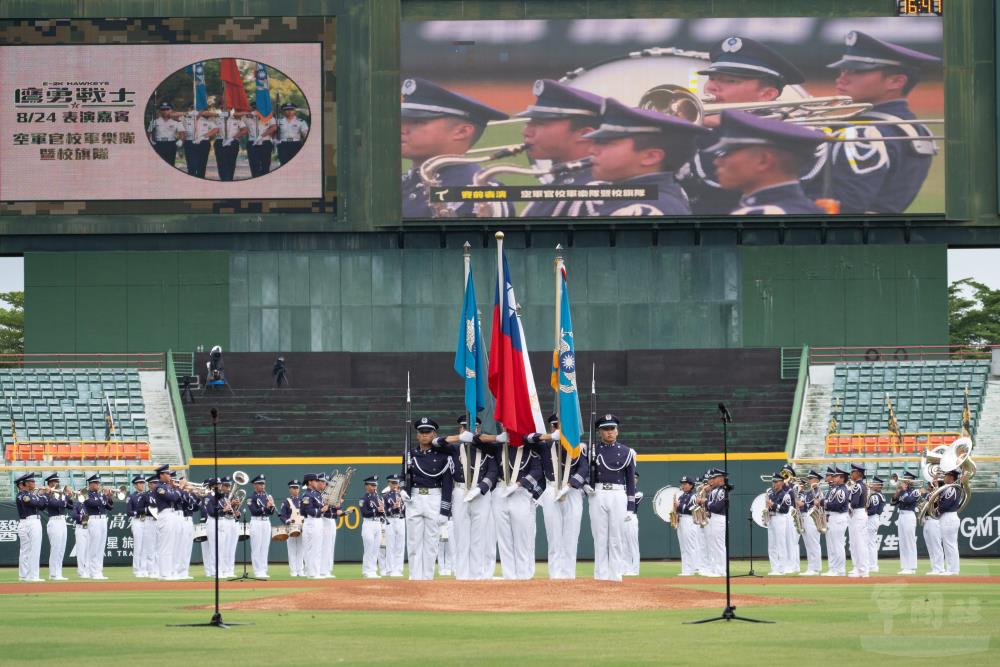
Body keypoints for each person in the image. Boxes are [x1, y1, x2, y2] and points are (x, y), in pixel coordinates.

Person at [808, 30, 941, 213]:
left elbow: (845, 208)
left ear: (896, 81)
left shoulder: (865, 134)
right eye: (843, 70)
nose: (842, 78)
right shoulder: (913, 128)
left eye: (857, 71)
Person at [677, 35, 809, 214]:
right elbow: (652, 193)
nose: (711, 88)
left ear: (766, 95)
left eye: (730, 81)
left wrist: (724, 126)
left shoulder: (786, 140)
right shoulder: (694, 131)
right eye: (712, 78)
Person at [400, 77, 510, 218]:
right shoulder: (402, 182)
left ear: (462, 131)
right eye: (402, 120)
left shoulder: (480, 192)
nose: (402, 129)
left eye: (417, 122)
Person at [583, 98, 710, 216]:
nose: (592, 150)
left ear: (651, 157)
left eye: (606, 143)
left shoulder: (643, 211)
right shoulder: (653, 196)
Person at [706, 110, 828, 215]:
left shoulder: (761, 215)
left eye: (727, 153)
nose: (717, 161)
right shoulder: (813, 210)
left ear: (763, 160)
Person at [516, 79, 603, 217]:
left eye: (540, 123)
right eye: (528, 123)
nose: (526, 132)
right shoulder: (566, 181)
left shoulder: (591, 192)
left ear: (585, 134)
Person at [433, 415, 500, 580]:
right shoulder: (455, 448)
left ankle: (477, 574)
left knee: (479, 537)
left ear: (478, 429)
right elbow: (435, 442)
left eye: (473, 428)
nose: (469, 430)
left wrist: (481, 488)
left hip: (480, 494)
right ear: (461, 429)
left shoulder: (488, 449)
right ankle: (462, 575)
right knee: (460, 536)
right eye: (464, 427)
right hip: (460, 492)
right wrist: (458, 438)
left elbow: (493, 471)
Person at [527, 413, 587, 579]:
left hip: (572, 491)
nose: (559, 430)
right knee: (553, 535)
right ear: (552, 428)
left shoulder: (578, 447)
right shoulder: (545, 446)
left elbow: (584, 469)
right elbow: (528, 438)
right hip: (551, 489)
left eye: (562, 428)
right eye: (556, 427)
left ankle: (569, 574)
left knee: (571, 535)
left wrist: (570, 484)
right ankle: (555, 574)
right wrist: (550, 436)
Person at [484, 429, 542, 581]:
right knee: (504, 539)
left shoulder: (529, 449)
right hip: (500, 492)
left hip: (520, 492)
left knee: (522, 538)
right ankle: (509, 576)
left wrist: (519, 484)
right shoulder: (498, 446)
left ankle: (523, 576)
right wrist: (497, 437)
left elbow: (537, 470)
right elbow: (476, 440)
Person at [585, 414, 636, 581]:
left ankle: (615, 574)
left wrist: (631, 507)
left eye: (612, 428)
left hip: (617, 493)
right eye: (605, 429)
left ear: (617, 431)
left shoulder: (627, 452)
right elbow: (584, 471)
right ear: (599, 432)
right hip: (598, 493)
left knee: (616, 537)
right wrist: (586, 486)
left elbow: (630, 481)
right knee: (599, 536)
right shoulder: (592, 451)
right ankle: (600, 575)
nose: (609, 432)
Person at [402, 417, 454, 580]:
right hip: (415, 498)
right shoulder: (410, 454)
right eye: (421, 432)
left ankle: (427, 577)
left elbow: (447, 484)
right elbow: (404, 476)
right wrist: (404, 490)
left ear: (434, 434)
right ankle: (414, 577)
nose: (424, 435)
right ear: (417, 435)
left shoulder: (443, 455)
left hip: (434, 498)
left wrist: (445, 511)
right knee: (413, 541)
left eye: (428, 432)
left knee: (431, 543)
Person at [80, 474, 114, 579]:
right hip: (93, 520)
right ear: (90, 484)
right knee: (94, 547)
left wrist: (109, 496)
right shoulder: (85, 493)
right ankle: (92, 571)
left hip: (103, 519)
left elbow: (110, 507)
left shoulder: (100, 494)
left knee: (100, 548)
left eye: (98, 483)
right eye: (96, 483)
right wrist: (104, 496)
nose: (98, 485)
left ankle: (99, 571)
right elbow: (92, 504)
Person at [15, 473, 45, 582]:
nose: (34, 483)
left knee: (26, 550)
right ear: (25, 484)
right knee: (31, 550)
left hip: (30, 522)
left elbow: (42, 506)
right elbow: (36, 503)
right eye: (31, 482)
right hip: (30, 522)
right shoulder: (23, 495)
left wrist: (41, 496)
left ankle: (25, 575)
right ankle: (32, 576)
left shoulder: (31, 494)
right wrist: (42, 495)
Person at [700, 468, 729, 578]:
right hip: (712, 518)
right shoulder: (714, 491)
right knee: (712, 545)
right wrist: (706, 501)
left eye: (714, 478)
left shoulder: (723, 491)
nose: (712, 480)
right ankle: (714, 568)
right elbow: (710, 506)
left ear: (720, 478)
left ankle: (721, 570)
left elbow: (717, 507)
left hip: (719, 518)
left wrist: (706, 502)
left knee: (719, 545)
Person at [822, 467, 850, 577]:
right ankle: (833, 569)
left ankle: (840, 570)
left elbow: (837, 506)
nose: (834, 478)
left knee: (838, 545)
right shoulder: (836, 489)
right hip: (832, 517)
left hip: (838, 517)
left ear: (842, 478)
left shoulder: (842, 490)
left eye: (836, 476)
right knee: (833, 546)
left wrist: (822, 502)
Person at [40, 473, 68, 580]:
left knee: (61, 549)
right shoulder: (48, 495)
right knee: (55, 548)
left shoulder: (59, 493)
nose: (57, 483)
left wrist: (65, 496)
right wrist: (64, 498)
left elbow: (68, 504)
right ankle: (53, 573)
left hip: (62, 521)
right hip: (54, 521)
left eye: (58, 482)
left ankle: (59, 573)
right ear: (50, 483)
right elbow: (58, 504)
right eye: (55, 482)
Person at [891, 470, 920, 574]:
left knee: (909, 542)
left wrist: (902, 490)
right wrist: (897, 492)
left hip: (909, 515)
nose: (904, 481)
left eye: (907, 480)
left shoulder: (915, 491)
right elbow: (893, 502)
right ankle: (905, 566)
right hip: (901, 516)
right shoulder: (902, 491)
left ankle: (911, 567)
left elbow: (908, 500)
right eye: (904, 480)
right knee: (903, 542)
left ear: (911, 481)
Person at [247, 474, 275, 578]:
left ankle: (263, 569)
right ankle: (257, 571)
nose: (262, 486)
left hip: (266, 522)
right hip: (256, 522)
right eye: (260, 484)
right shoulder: (251, 498)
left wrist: (271, 507)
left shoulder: (267, 496)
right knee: (256, 547)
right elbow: (254, 511)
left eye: (263, 484)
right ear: (254, 485)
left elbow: (270, 512)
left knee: (264, 547)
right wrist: (265, 508)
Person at [797, 470, 824, 576]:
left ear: (816, 480)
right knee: (808, 544)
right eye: (808, 479)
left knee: (813, 544)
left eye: (811, 478)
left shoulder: (818, 491)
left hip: (813, 517)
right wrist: (799, 492)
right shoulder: (808, 492)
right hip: (805, 517)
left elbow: (815, 504)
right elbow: (800, 501)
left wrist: (802, 504)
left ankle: (816, 568)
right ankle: (811, 567)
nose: (808, 481)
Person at [317, 473, 344, 578]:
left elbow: (335, 510)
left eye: (327, 483)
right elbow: (323, 510)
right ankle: (322, 570)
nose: (326, 485)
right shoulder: (320, 495)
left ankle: (327, 569)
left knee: (330, 546)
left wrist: (338, 504)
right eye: (323, 482)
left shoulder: (330, 495)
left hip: (332, 521)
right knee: (324, 546)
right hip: (323, 520)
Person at [936, 469, 963, 575]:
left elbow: (946, 504)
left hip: (948, 517)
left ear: (951, 477)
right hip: (949, 517)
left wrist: (937, 510)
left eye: (946, 475)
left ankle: (952, 569)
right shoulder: (949, 488)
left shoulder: (951, 488)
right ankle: (953, 569)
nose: (944, 477)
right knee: (950, 544)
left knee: (949, 544)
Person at [359, 476, 385, 578]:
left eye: (375, 485)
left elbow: (381, 512)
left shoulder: (379, 497)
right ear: (367, 486)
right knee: (369, 548)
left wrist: (382, 511)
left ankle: (373, 570)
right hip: (368, 524)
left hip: (377, 523)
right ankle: (366, 571)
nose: (375, 487)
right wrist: (377, 510)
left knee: (375, 549)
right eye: (372, 485)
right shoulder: (363, 499)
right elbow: (364, 513)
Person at [846, 463, 870, 578]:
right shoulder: (862, 485)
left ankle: (862, 569)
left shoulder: (857, 486)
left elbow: (854, 503)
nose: (851, 474)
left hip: (857, 514)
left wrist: (848, 504)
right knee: (856, 543)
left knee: (859, 543)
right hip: (859, 514)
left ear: (858, 473)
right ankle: (858, 568)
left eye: (853, 472)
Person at [242, 101, 277, 176]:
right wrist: (248, 114)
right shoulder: (245, 117)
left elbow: (274, 127)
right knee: (254, 165)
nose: (256, 110)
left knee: (265, 165)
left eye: (258, 109)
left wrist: (261, 136)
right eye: (254, 108)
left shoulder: (268, 116)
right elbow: (235, 117)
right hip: (252, 143)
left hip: (265, 142)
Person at [381, 474, 406, 577]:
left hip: (400, 520)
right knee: (390, 545)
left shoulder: (402, 495)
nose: (395, 485)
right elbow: (384, 511)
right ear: (389, 483)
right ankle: (390, 570)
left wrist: (401, 508)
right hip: (390, 520)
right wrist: (393, 508)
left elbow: (407, 509)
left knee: (400, 546)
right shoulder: (385, 496)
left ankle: (398, 569)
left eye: (397, 482)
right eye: (393, 483)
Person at [766, 472, 791, 575]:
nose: (774, 484)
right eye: (773, 482)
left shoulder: (785, 495)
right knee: (771, 545)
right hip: (771, 518)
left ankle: (782, 569)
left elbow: (785, 510)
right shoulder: (771, 494)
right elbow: (768, 506)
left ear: (781, 483)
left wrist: (773, 505)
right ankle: (774, 568)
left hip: (780, 518)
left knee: (780, 543)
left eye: (776, 482)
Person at [674, 476, 700, 576]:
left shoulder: (693, 496)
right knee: (683, 546)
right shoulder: (681, 496)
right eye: (682, 484)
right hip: (681, 520)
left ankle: (692, 569)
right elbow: (678, 508)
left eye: (685, 484)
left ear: (691, 485)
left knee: (690, 546)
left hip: (689, 520)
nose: (683, 485)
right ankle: (685, 569)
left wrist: (678, 506)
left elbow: (691, 509)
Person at [211, 108, 246, 182]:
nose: (226, 110)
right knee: (221, 163)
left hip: (232, 142)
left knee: (231, 163)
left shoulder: (237, 119)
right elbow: (205, 114)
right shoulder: (217, 119)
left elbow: (244, 130)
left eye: (228, 108)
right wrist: (220, 114)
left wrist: (233, 138)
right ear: (221, 108)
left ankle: (229, 179)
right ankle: (223, 179)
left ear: (231, 109)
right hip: (220, 142)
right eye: (224, 108)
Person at [279, 479, 305, 577]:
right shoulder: (286, 501)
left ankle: (300, 570)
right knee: (292, 550)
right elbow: (282, 515)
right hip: (291, 528)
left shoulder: (303, 500)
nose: (295, 490)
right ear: (290, 489)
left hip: (302, 528)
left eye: (297, 488)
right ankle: (293, 571)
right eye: (293, 488)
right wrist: (287, 521)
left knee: (301, 550)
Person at [126, 475, 150, 578]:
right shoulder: (132, 496)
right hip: (137, 521)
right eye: (140, 483)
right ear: (135, 485)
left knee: (145, 546)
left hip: (147, 521)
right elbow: (128, 512)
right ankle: (137, 569)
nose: (142, 485)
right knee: (138, 546)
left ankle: (144, 569)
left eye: (143, 483)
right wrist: (139, 512)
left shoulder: (148, 495)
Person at [147, 102, 184, 166]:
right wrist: (150, 140)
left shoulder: (176, 121)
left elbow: (182, 132)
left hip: (171, 144)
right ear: (160, 111)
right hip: (158, 144)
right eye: (163, 109)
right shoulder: (154, 121)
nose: (165, 111)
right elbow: (149, 132)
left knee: (170, 163)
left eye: (167, 109)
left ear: (171, 110)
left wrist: (181, 140)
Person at [623, 469, 642, 576]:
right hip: (621, 518)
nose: (632, 479)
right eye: (630, 477)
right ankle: (625, 568)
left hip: (631, 518)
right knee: (623, 544)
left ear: (637, 480)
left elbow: (630, 500)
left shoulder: (638, 493)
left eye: (634, 478)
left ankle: (635, 569)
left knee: (632, 544)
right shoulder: (622, 490)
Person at [866, 475, 885, 573]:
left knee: (870, 543)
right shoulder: (877, 495)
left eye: (874, 483)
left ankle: (872, 565)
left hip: (872, 518)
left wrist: (863, 511)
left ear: (879, 486)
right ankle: (871, 565)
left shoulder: (876, 496)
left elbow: (872, 510)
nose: (872, 484)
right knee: (870, 543)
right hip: (873, 519)